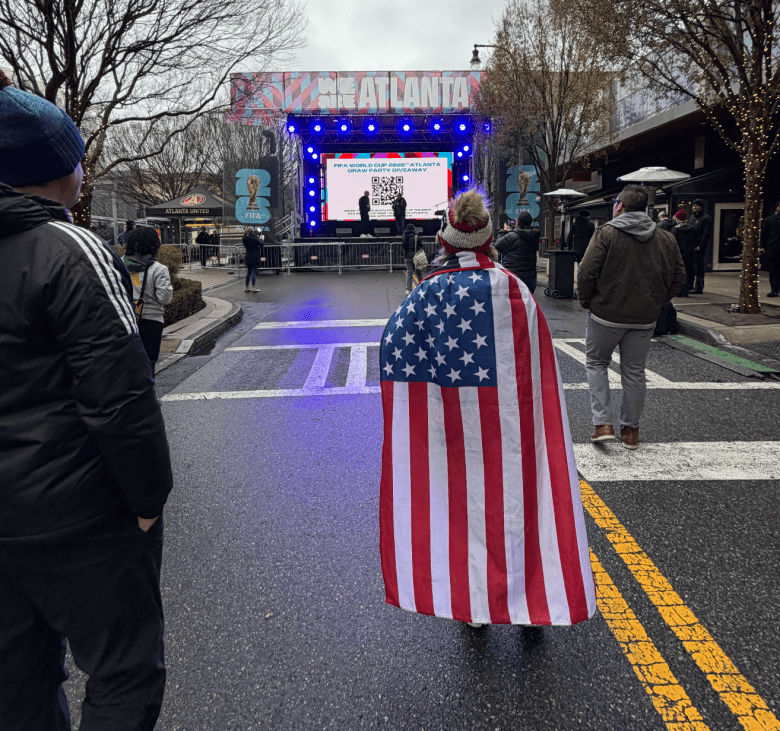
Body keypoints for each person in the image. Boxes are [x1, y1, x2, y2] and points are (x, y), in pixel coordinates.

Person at [0, 78, 173, 731]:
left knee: (16, 680)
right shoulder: (70, 250)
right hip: (78, 514)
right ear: (56, 171)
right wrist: (149, 498)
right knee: (124, 670)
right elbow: (121, 396)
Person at [378, 188, 597, 630]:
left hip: (449, 428)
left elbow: (394, 357)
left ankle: (473, 602)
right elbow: (539, 370)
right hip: (509, 425)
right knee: (512, 505)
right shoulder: (515, 290)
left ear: (445, 240)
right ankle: (524, 602)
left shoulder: (425, 295)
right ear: (488, 239)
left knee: (461, 507)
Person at [577, 185, 685, 449]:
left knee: (596, 363)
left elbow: (587, 272)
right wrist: (657, 302)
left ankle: (602, 423)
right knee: (634, 372)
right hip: (645, 317)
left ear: (619, 206)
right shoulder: (666, 238)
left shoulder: (606, 233)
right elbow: (679, 277)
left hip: (606, 314)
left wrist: (587, 301)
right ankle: (631, 432)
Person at [123, 226, 174, 367]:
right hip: (151, 320)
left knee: (127, 362)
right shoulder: (158, 269)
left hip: (123, 318)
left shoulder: (119, 264)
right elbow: (165, 298)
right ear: (154, 245)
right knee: (148, 361)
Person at [494, 210, 540, 293]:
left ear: (517, 222)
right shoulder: (534, 236)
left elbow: (498, 246)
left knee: (515, 304)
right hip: (530, 276)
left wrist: (503, 231)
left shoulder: (512, 236)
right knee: (528, 303)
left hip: (514, 275)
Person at [671, 210, 699, 297]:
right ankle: (686, 289)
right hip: (690, 253)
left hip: (679, 253)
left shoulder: (675, 230)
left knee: (678, 272)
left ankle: (679, 290)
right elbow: (696, 240)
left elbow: (672, 242)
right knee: (688, 272)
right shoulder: (693, 229)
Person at [690, 198, 713, 293]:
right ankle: (690, 285)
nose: (694, 207)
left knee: (699, 266)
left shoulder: (706, 218)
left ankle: (699, 287)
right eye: (693, 206)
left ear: (701, 207)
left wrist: (700, 245)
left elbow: (706, 233)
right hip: (691, 245)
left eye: (697, 206)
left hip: (699, 246)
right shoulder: (692, 217)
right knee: (691, 266)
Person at [760, 201, 780, 297]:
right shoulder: (769, 220)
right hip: (773, 248)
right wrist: (762, 246)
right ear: (776, 208)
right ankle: (774, 289)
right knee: (773, 270)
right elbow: (764, 234)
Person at [401, 222, 423, 295]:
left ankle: (408, 289)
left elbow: (404, 247)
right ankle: (421, 287)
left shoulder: (404, 237)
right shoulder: (416, 236)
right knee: (418, 272)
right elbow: (420, 246)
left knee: (409, 273)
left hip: (407, 257)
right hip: (416, 256)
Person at [242, 226, 264, 293]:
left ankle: (246, 288)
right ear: (252, 231)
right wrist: (261, 239)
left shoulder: (244, 238)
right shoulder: (254, 238)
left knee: (248, 272)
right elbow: (261, 244)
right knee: (253, 272)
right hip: (255, 256)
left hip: (248, 256)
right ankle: (254, 288)